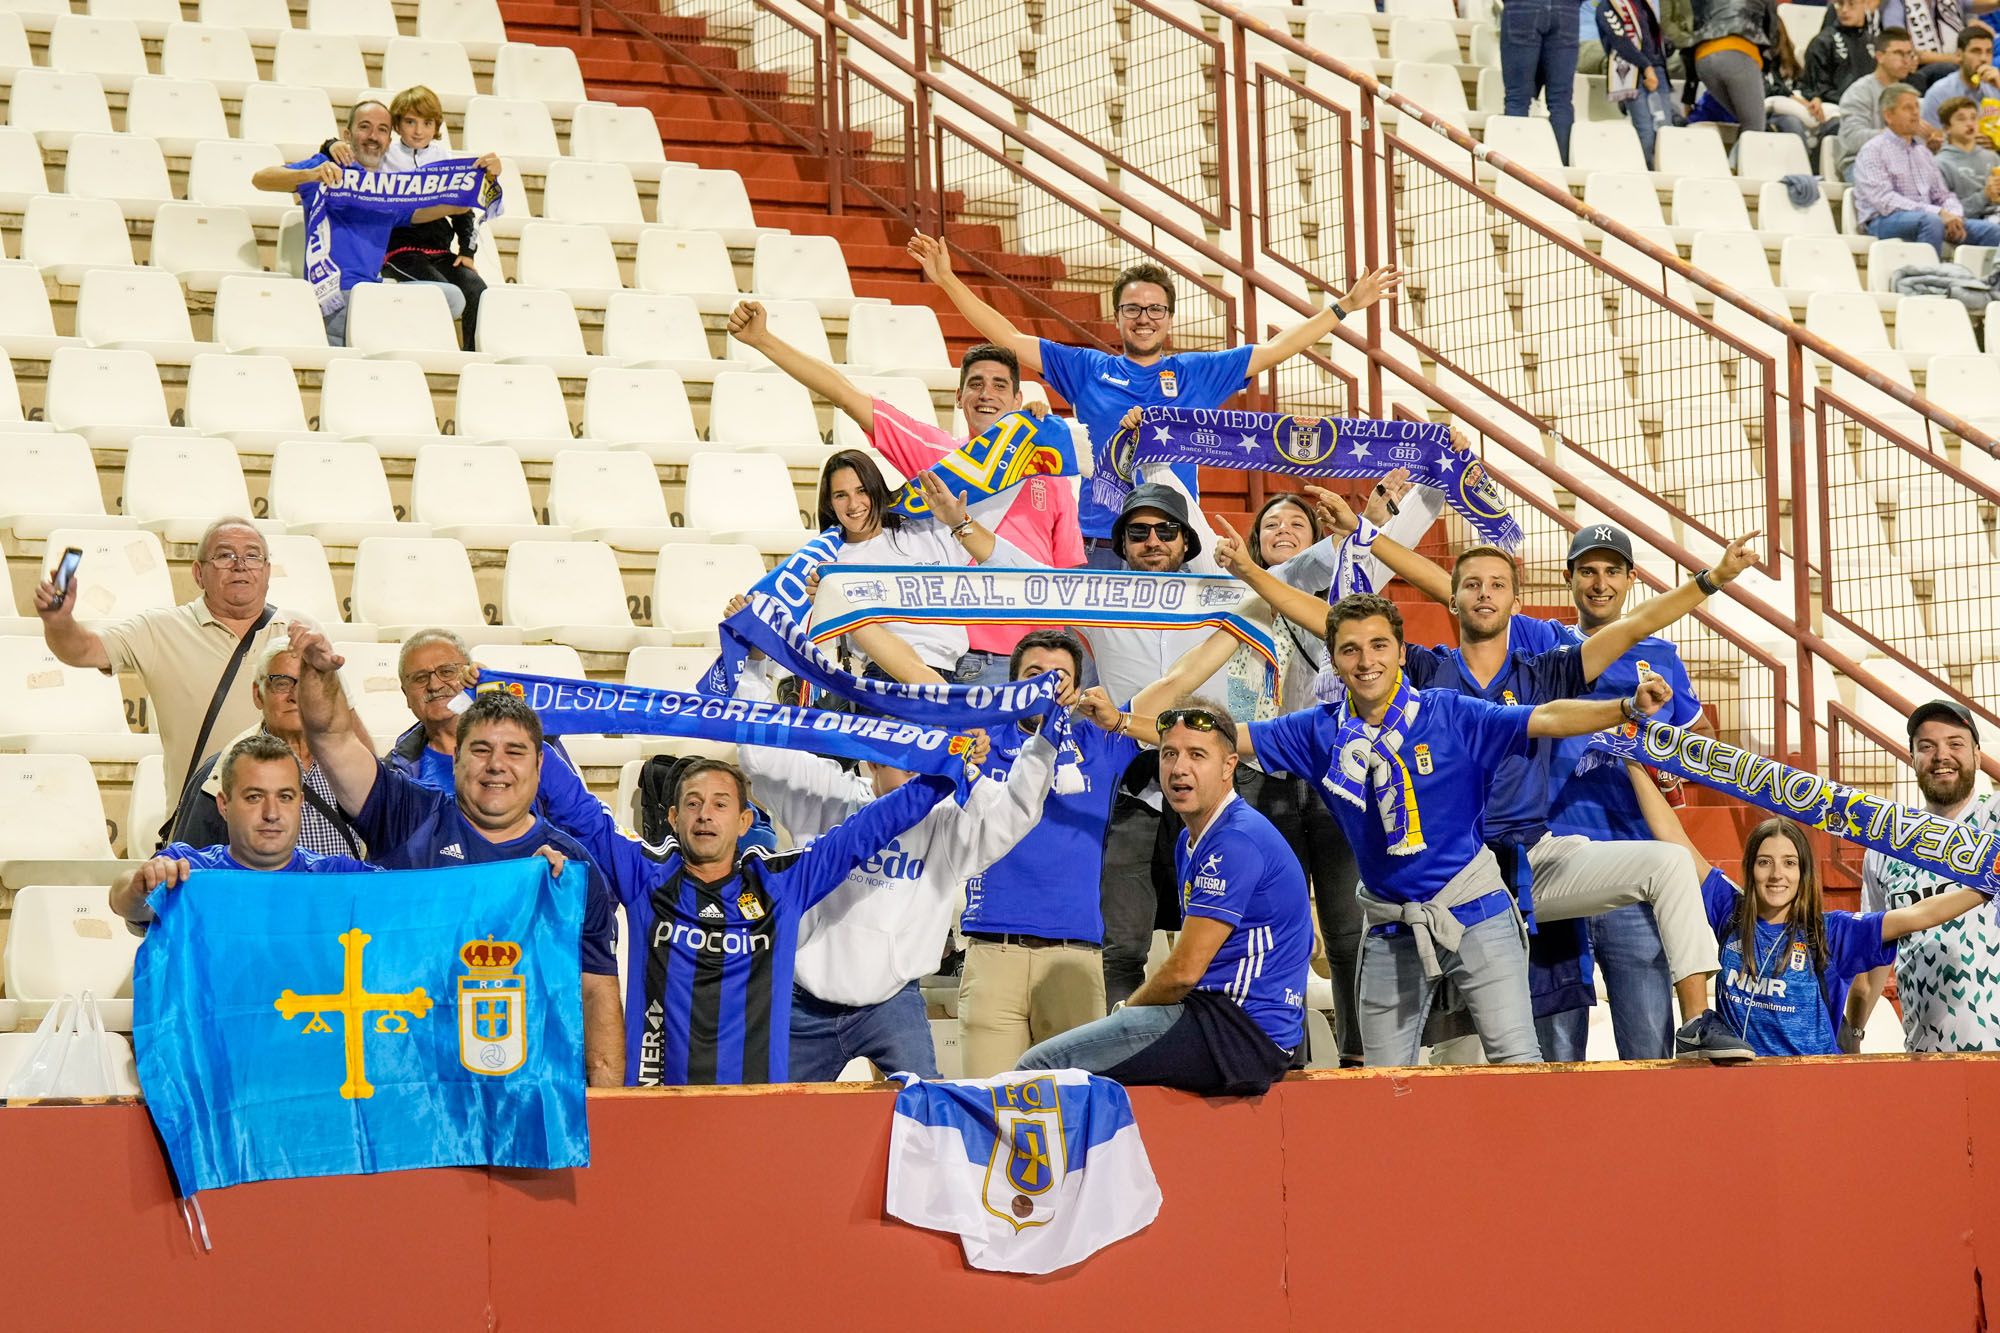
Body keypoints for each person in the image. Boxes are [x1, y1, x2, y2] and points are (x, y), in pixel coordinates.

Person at [1093, 593, 1749, 1067]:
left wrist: (1624, 706)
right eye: (1349, 648)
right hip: (1388, 928)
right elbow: (1213, 737)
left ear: (1400, 652)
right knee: (1382, 1083)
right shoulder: (1317, 728)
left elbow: (1546, 717)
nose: (1365, 659)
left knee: (1517, 1068)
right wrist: (1123, 723)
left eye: (1378, 645)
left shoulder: (1451, 712)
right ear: (1336, 658)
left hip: (1478, 912)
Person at [905, 232, 1400, 562]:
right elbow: (1009, 339)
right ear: (1117, 317)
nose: (1144, 318)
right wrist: (947, 279)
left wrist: (1346, 306)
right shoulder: (1086, 368)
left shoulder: (1200, 372)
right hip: (1102, 540)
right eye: (1133, 309)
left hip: (1177, 540)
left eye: (1155, 309)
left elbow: (1274, 350)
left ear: (1170, 317)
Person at [726, 604, 1065, 1081]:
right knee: (782, 1123)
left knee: (923, 1120)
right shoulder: (831, 795)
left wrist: (1042, 741)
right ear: (870, 760)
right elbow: (758, 754)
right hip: (803, 1002)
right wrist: (756, 667)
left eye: (922, 760)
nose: (912, 775)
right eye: (901, 759)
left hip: (892, 1003)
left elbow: (1015, 814)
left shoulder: (946, 819)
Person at [290, 625, 626, 1086]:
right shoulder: (407, 816)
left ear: (539, 765)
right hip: (414, 1084)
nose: (496, 765)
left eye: (515, 751)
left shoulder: (571, 869)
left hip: (525, 1096)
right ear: (457, 758)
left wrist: (607, 1109)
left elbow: (596, 994)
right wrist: (318, 674)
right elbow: (331, 738)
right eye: (481, 750)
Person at [725, 299, 1082, 686]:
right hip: (968, 662)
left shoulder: (1051, 470)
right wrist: (763, 340)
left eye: (1000, 385)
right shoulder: (936, 458)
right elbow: (846, 395)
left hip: (1043, 659)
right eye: (975, 384)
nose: (986, 394)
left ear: (1017, 400)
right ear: (959, 397)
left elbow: (1070, 575)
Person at [1017, 700, 1313, 1095]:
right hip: (1219, 1020)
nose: (1178, 768)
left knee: (1037, 1067)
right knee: (1088, 1080)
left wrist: (1127, 1012)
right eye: (1169, 754)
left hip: (1238, 1031)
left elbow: (1182, 973)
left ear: (1229, 767)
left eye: (1197, 755)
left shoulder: (1234, 841)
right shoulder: (1194, 838)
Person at [1628, 771, 1993, 1057]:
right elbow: (1674, 839)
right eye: (1764, 863)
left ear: (1804, 872)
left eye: (1789, 863)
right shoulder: (1730, 911)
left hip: (1811, 1086)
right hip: (1738, 1086)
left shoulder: (1830, 932)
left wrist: (1988, 883)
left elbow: (1917, 916)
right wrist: (1633, 762)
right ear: (1749, 868)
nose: (1776, 875)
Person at [955, 630, 1142, 1076]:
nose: (1044, 685)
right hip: (991, 956)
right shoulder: (978, 739)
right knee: (988, 1115)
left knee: (1075, 1118)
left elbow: (1179, 680)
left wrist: (1240, 604)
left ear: (1075, 688)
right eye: (1032, 674)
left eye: (1057, 677)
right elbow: (911, 685)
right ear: (1012, 682)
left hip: (1072, 960)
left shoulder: (1102, 741)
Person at [33, 517, 302, 821]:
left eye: (253, 556)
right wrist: (59, 622)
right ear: (198, 573)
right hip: (202, 823)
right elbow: (82, 650)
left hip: (289, 822)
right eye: (224, 555)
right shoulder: (158, 629)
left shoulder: (300, 633)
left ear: (267, 571)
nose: (240, 565)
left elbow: (340, 719)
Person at [249, 99, 498, 346]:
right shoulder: (325, 168)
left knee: (452, 297)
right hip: (334, 296)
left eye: (382, 130)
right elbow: (261, 179)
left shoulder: (389, 188)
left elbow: (457, 206)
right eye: (365, 127)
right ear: (348, 134)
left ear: (389, 141)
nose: (373, 136)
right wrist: (312, 175)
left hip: (373, 295)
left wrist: (484, 177)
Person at [811, 449, 1035, 685]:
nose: (854, 504)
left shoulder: (925, 531)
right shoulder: (831, 561)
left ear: (876, 488)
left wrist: (1028, 424)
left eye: (862, 490)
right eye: (840, 495)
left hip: (955, 676)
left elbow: (1000, 485)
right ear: (829, 504)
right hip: (889, 680)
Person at [1850, 700, 2000, 1052]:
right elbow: (1873, 957)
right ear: (1912, 758)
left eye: (1955, 743)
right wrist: (1853, 1033)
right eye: (1927, 746)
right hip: (1926, 1060)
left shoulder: (1996, 819)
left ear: (1978, 756)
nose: (1941, 755)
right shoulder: (1887, 847)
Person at [111, 732, 373, 926]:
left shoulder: (335, 875)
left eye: (284, 797)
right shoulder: (189, 870)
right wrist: (138, 886)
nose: (271, 814)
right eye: (254, 797)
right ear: (224, 805)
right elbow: (125, 903)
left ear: (299, 803)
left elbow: (406, 894)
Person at [386, 628, 606, 836]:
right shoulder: (396, 771)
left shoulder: (532, 742)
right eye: (420, 678)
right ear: (405, 694)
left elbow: (580, 824)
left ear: (470, 675)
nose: (434, 685)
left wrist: (489, 694)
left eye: (447, 672)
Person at [167, 641, 363, 859]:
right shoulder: (218, 773)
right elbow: (191, 872)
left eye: (309, 683)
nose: (295, 696)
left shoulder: (352, 766)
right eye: (282, 683)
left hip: (345, 893)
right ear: (258, 694)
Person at [379, 85, 488, 352]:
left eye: (427, 123)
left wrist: (466, 251)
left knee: (476, 288)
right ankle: (432, 351)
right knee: (440, 292)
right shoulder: (385, 157)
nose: (418, 131)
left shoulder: (444, 157)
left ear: (436, 126)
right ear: (397, 124)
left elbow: (463, 209)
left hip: (440, 251)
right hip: (400, 252)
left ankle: (470, 356)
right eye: (410, 122)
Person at [1854, 82, 2000, 243]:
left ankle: (1968, 269)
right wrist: (1937, 213)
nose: (1916, 113)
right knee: (1931, 222)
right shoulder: (1873, 150)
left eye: (1917, 107)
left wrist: (1954, 215)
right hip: (1883, 221)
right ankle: (1930, 269)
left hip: (1928, 217)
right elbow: (1884, 200)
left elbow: (1942, 194)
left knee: (1990, 230)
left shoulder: (1923, 152)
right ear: (1888, 115)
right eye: (1908, 108)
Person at [1599, 0, 1683, 165]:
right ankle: (1647, 174)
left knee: (1665, 129)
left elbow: (1652, 37)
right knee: (1645, 131)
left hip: (1657, 70)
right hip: (1630, 71)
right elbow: (1620, 42)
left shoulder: (1644, 4)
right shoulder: (1608, 6)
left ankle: (1664, 173)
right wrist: (1646, 67)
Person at [1504, 0, 1583, 160]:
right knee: (1561, 100)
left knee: (1517, 98)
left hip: (1521, 9)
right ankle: (1560, 167)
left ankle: (1514, 168)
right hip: (1567, 9)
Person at [1838, 28, 1920, 177]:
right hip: (1862, 163)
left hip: (1903, 162)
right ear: (1880, 56)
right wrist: (1895, 135)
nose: (1906, 60)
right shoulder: (1859, 92)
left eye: (1909, 54)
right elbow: (1852, 139)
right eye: (1899, 53)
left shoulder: (1908, 93)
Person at [1690, 0, 1780, 133]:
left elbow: (1693, 23)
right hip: (1738, 51)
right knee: (1754, 129)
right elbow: (1771, 25)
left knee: (1747, 124)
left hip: (1702, 56)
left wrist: (1689, 93)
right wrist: (1768, 63)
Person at [1801, 0, 1889, 105]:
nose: (1844, 10)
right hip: (1834, 107)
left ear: (1866, 4)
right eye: (1840, 4)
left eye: (1851, 4)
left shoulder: (1874, 43)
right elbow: (1817, 89)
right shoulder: (1823, 42)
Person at [1935, 94, 2000, 214]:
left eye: (1974, 118)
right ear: (1946, 128)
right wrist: (1984, 195)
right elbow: (1947, 212)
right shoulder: (1940, 164)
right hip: (1972, 223)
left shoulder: (1993, 157)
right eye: (1961, 119)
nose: (1970, 123)